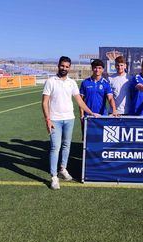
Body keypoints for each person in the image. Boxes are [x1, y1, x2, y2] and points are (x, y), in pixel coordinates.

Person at [42, 56, 100, 190]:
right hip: (55, 120)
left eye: (67, 67)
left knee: (66, 146)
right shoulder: (51, 81)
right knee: (55, 147)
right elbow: (44, 102)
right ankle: (54, 177)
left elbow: (79, 101)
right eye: (62, 66)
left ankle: (63, 169)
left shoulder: (72, 82)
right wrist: (48, 119)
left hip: (69, 119)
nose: (64, 68)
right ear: (58, 65)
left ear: (70, 68)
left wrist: (91, 112)